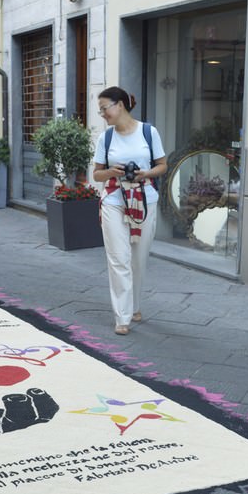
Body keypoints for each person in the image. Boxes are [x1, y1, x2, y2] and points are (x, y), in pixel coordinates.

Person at [91, 86, 167, 335]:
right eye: (100, 110)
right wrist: (112, 172)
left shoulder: (148, 132)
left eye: (104, 108)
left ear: (120, 105)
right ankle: (122, 317)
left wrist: (146, 173)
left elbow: (162, 166)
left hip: (145, 199)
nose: (102, 114)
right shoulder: (107, 138)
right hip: (114, 199)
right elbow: (97, 174)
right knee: (118, 258)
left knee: (139, 258)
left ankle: (134, 305)